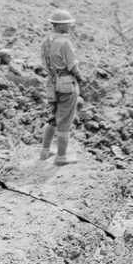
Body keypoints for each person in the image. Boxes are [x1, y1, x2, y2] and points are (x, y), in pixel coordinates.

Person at [40, 9, 85, 166]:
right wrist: (81, 78)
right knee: (64, 121)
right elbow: (73, 66)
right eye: (66, 24)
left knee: (52, 118)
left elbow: (44, 65)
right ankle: (61, 158)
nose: (69, 27)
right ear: (59, 25)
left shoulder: (45, 41)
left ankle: (45, 151)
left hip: (51, 83)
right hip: (66, 83)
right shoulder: (64, 42)